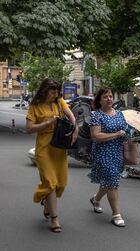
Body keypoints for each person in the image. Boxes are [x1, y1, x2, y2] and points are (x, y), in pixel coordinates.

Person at [26, 79, 78, 233]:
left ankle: (47, 202)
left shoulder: (59, 101)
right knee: (50, 182)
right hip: (44, 148)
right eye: (52, 91)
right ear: (44, 91)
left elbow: (71, 115)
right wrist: (47, 123)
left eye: (57, 92)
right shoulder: (35, 106)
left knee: (60, 184)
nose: (56, 94)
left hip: (59, 147)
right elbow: (29, 129)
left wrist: (75, 127)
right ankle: (55, 219)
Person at [88, 87, 133, 227]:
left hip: (117, 152)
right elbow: (95, 136)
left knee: (109, 180)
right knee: (112, 181)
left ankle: (95, 199)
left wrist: (128, 133)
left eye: (110, 96)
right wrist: (116, 134)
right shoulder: (96, 115)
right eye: (105, 97)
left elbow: (124, 130)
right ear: (99, 100)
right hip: (103, 153)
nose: (109, 99)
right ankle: (116, 214)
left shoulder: (119, 114)